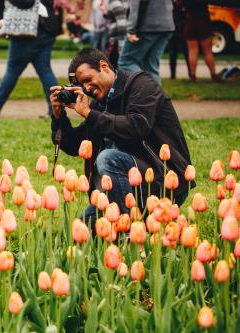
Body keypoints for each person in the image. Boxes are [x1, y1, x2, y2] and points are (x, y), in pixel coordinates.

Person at [50, 48, 195, 227]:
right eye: (82, 85)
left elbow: (136, 127)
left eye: (88, 80)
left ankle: (127, 233)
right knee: (82, 229)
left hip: (160, 181)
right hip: (122, 192)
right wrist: (58, 117)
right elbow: (74, 146)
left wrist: (89, 113)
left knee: (108, 158)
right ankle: (125, 222)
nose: (87, 88)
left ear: (104, 67)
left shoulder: (141, 84)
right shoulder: (99, 104)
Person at [0, 0, 62, 118]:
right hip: (47, 27)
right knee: (45, 70)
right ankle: (56, 110)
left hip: (28, 31)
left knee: (13, 69)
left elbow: (25, 2)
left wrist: (5, 21)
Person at [118, 0, 175, 84]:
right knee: (151, 67)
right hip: (167, 25)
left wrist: (131, 30)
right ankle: (157, 96)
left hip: (147, 27)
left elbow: (135, 5)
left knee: (126, 62)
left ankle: (147, 90)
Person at [182, 0, 220, 82]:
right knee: (207, 51)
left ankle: (192, 75)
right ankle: (213, 75)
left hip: (190, 21)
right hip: (203, 21)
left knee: (192, 50)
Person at [99, 0, 129, 69]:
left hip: (118, 40)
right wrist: (105, 11)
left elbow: (122, 22)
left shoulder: (114, 1)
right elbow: (117, 15)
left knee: (113, 68)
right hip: (118, 39)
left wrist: (121, 46)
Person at [168, 0, 191, 80]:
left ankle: (191, 73)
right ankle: (173, 75)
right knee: (173, 54)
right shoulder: (171, 4)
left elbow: (187, 16)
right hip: (173, 32)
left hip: (183, 32)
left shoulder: (185, 4)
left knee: (187, 54)